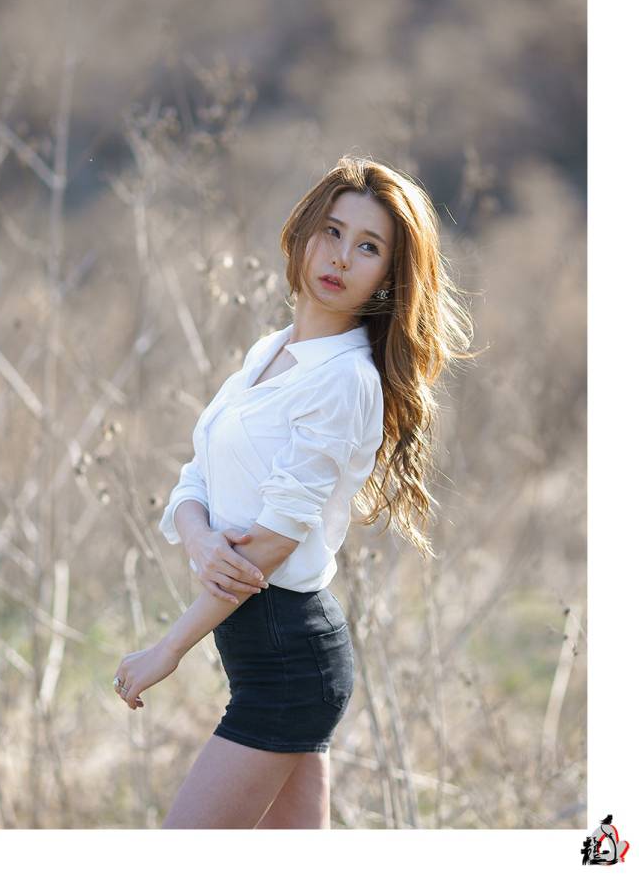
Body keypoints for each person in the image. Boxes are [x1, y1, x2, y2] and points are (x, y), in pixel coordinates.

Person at [113, 155, 475, 828]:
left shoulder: (344, 380)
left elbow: (272, 545)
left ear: (389, 277)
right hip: (273, 658)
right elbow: (196, 476)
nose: (340, 256)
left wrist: (168, 649)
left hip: (286, 662)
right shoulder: (271, 351)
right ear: (303, 233)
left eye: (368, 247)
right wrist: (199, 539)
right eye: (332, 231)